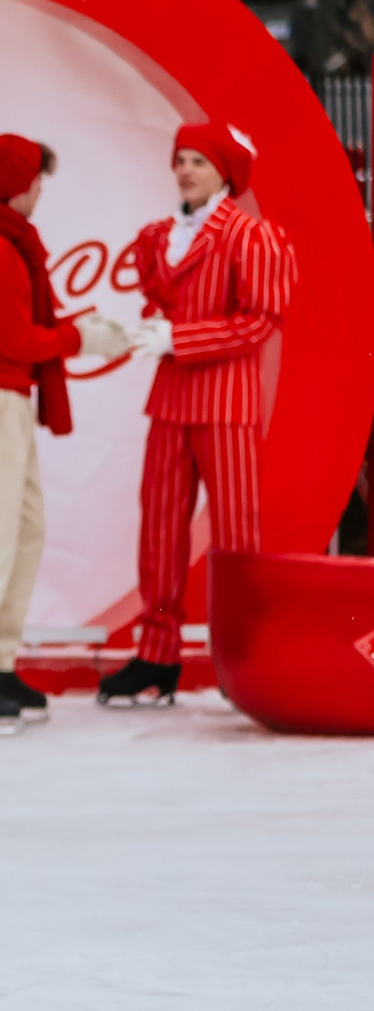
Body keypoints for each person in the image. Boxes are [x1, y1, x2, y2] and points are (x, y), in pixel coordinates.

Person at [0, 132, 132, 724]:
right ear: (14, 184)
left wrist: (76, 329)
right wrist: (82, 337)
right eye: (36, 178)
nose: (41, 189)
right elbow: (17, 339)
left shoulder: (6, 240)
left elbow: (20, 331)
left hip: (4, 397)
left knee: (22, 531)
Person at [99, 121, 296, 706]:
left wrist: (180, 339)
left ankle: (244, 648)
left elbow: (260, 321)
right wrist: (145, 332)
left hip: (225, 402)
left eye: (198, 162)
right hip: (171, 401)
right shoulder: (159, 238)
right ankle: (157, 653)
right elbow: (168, 304)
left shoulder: (251, 238)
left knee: (236, 533)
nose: (184, 169)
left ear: (225, 174)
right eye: (180, 159)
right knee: (158, 529)